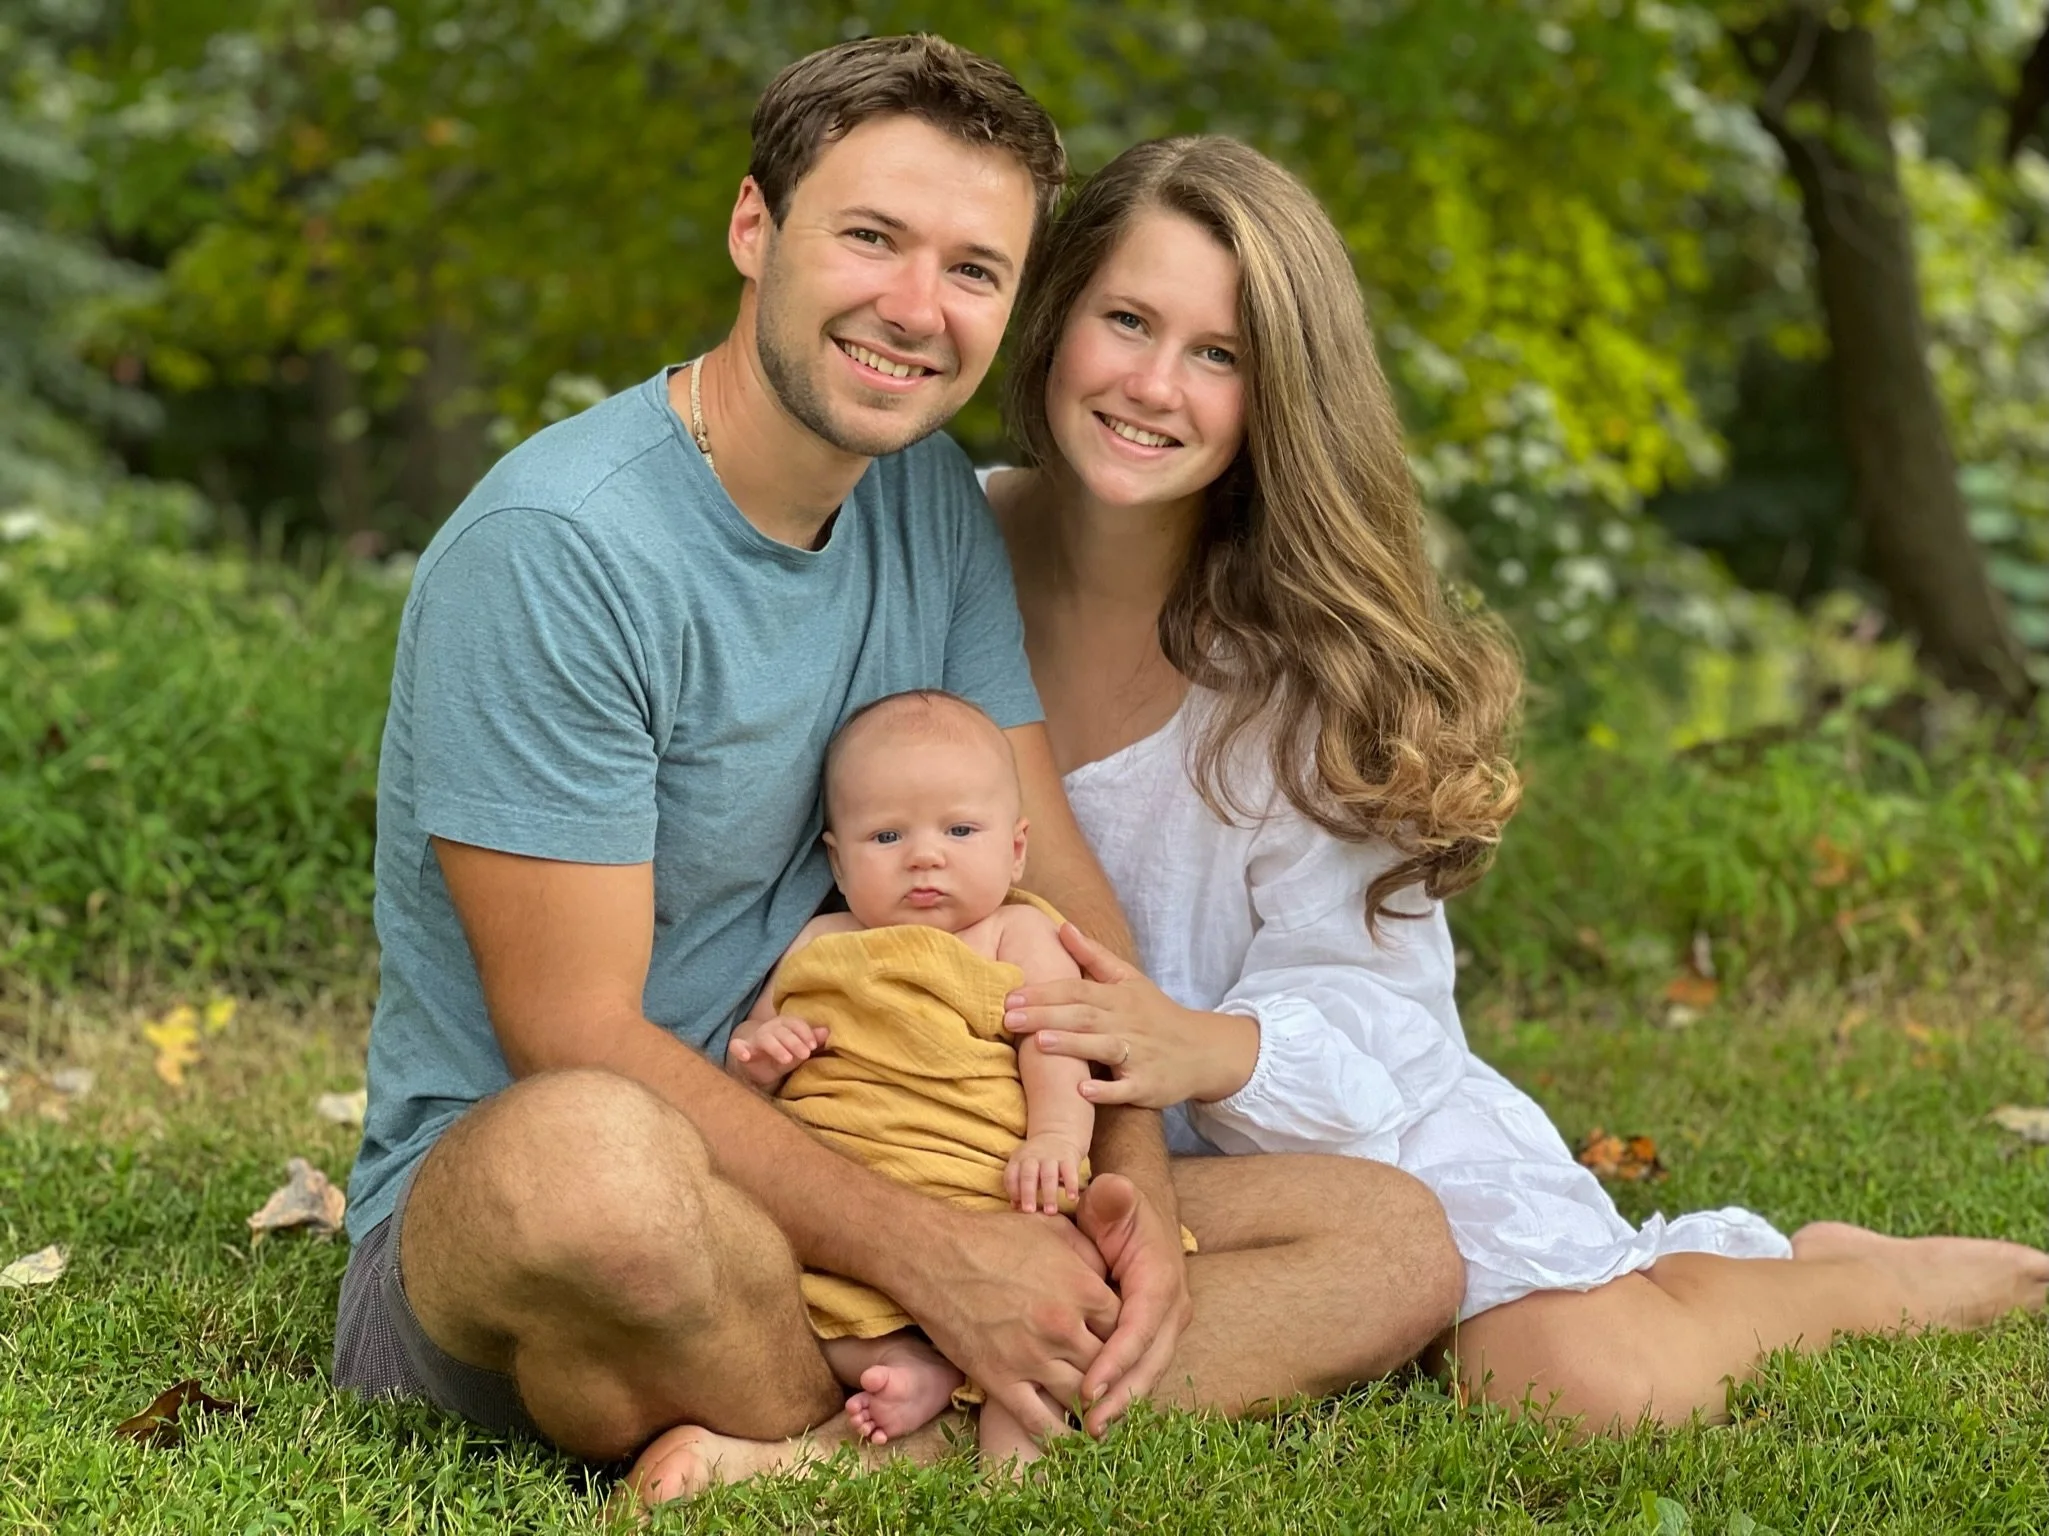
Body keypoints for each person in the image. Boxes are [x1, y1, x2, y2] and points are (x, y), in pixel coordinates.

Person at [332, 39, 1463, 1505]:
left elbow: (1053, 881)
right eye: (871, 237)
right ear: (756, 229)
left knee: (1392, 1238)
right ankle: (944, 1395)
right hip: (630, 1195)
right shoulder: (560, 553)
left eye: (974, 269)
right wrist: (939, 1258)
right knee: (588, 1172)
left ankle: (820, 1454)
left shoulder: (924, 496)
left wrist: (1126, 1191)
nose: (916, 310)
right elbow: (570, 1029)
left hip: (926, 1146)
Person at [983, 134, 2049, 1433]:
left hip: (1324, 1127)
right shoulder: (944, 551)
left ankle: (1846, 1280)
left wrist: (1197, 1046)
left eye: (1220, 355)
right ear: (1056, 319)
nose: (1155, 384)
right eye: (1128, 321)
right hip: (1044, 1140)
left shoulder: (1304, 665)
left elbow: (1386, 1013)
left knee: (1575, 1385)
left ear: (1279, 397)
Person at [720, 689, 1094, 1468]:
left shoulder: (1016, 932)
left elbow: (1055, 1043)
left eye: (959, 830)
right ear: (835, 858)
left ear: (1016, 850)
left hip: (984, 1186)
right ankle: (919, 1372)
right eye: (886, 835)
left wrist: (1056, 1136)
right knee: (795, 1307)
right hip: (847, 1209)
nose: (925, 856)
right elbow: (752, 1061)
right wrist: (762, 1049)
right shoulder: (820, 940)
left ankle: (1012, 1475)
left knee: (1059, 1296)